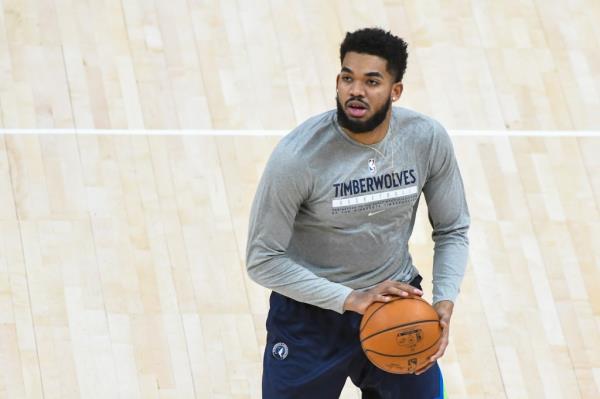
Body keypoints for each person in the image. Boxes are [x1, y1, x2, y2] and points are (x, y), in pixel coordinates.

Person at [246, 27, 469, 399]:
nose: (356, 91)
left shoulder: (425, 139)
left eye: (371, 81)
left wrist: (443, 301)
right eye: (348, 78)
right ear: (337, 81)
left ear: (395, 91)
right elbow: (261, 259)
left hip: (395, 309)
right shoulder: (297, 158)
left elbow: (453, 229)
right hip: (309, 316)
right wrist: (350, 299)